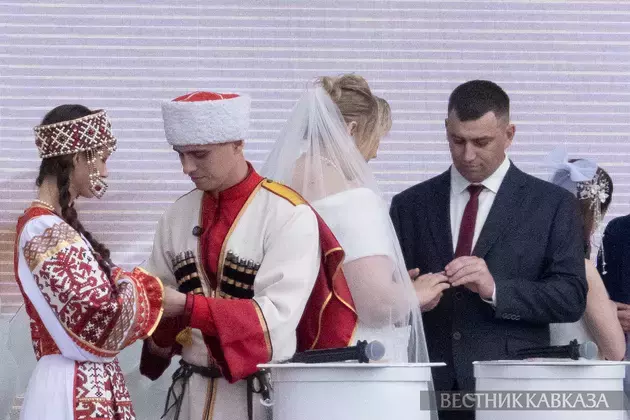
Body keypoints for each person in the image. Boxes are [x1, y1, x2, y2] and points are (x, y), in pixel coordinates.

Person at [139, 92, 357, 420]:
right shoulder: (177, 214)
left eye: (199, 154)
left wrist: (188, 307)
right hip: (191, 396)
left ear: (238, 144)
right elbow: (156, 294)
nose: (187, 168)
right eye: (179, 155)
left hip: (258, 398)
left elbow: (277, 318)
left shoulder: (288, 214)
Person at [389, 80, 588, 419]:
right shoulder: (410, 205)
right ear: (446, 130)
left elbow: (570, 297)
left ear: (509, 134)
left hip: (512, 388)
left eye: (481, 142)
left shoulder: (552, 205)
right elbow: (387, 297)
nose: (468, 155)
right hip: (427, 386)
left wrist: (495, 289)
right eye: (457, 140)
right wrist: (405, 297)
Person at [262, 74, 436, 366]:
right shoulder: (354, 197)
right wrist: (417, 294)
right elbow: (377, 304)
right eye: (375, 138)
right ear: (351, 129)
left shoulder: (281, 184)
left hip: (299, 354)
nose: (376, 152)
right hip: (355, 360)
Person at [12, 105, 169, 420]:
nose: (106, 171)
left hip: (84, 381)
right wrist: (150, 290)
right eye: (102, 159)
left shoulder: (53, 227)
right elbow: (98, 313)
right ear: (77, 158)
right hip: (69, 387)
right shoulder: (42, 229)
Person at [547, 150, 625, 361]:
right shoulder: (581, 269)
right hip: (581, 381)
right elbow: (616, 351)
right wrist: (608, 308)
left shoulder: (528, 261)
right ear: (595, 214)